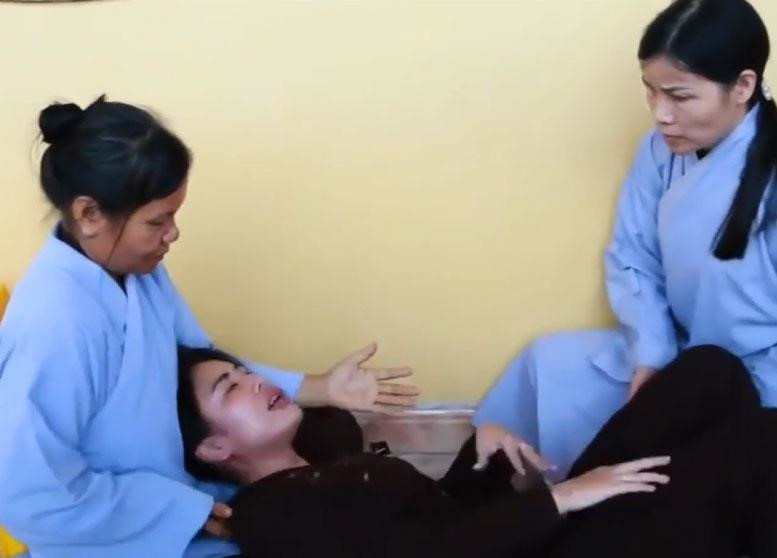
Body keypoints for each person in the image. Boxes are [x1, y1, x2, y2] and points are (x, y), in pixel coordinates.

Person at [0, 96, 418, 558]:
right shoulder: (53, 324)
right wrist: (183, 512)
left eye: (174, 216)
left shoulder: (136, 272)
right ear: (88, 214)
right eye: (157, 221)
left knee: (332, 434)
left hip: (185, 504)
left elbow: (205, 364)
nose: (173, 233)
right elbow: (30, 494)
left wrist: (322, 388)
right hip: (121, 537)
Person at [474, 0, 777, 477]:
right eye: (650, 92)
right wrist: (652, 356)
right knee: (550, 365)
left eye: (679, 96)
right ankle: (499, 482)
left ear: (742, 86)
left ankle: (572, 502)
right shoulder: (659, 150)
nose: (661, 114)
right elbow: (633, 256)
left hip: (758, 381)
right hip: (677, 352)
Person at [178, 344, 777, 558]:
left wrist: (478, 455)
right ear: (212, 446)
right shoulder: (270, 517)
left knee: (710, 374)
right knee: (760, 443)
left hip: (527, 538)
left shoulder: (319, 460)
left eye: (245, 372)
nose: (258, 381)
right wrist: (564, 498)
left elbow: (433, 515)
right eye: (230, 388)